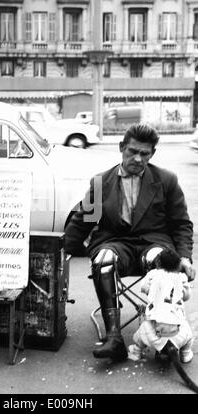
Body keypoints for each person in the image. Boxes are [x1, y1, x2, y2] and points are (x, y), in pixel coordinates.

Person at [64, 123, 195, 362]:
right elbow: (84, 221)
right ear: (121, 148)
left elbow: (181, 224)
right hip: (115, 244)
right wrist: (66, 249)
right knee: (103, 259)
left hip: (154, 244)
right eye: (132, 151)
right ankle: (114, 337)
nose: (137, 158)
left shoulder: (166, 181)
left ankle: (165, 335)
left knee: (162, 260)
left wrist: (185, 257)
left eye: (144, 153)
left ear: (152, 154)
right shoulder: (100, 183)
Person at [128, 248, 193, 364]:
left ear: (158, 263)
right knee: (188, 332)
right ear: (178, 265)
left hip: (154, 334)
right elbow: (187, 296)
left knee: (143, 330)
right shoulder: (181, 277)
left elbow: (144, 288)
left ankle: (136, 352)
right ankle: (186, 354)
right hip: (178, 334)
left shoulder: (152, 275)